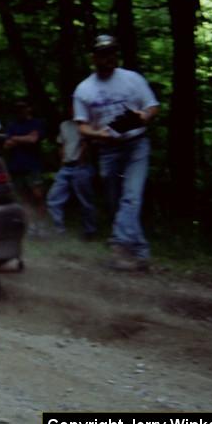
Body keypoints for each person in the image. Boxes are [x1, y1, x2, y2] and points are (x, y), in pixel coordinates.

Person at [73, 34, 159, 270]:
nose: (109, 57)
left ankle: (119, 246)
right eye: (103, 53)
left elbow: (152, 106)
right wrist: (97, 134)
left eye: (112, 52)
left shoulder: (133, 79)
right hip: (108, 149)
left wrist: (144, 116)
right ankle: (141, 252)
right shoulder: (84, 89)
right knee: (116, 202)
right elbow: (81, 125)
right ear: (94, 57)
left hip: (136, 145)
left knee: (131, 196)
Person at [46, 104, 97, 239]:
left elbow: (86, 145)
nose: (72, 110)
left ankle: (89, 231)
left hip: (81, 167)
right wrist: (62, 162)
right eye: (70, 107)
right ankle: (58, 230)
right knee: (53, 198)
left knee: (85, 201)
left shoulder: (86, 124)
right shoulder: (64, 125)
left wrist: (81, 160)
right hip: (66, 167)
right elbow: (62, 144)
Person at [4, 100, 47, 234]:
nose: (20, 111)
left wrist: (15, 139)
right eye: (18, 109)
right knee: (24, 198)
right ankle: (31, 225)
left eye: (23, 108)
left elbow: (33, 139)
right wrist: (25, 138)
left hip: (33, 165)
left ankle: (42, 224)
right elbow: (6, 144)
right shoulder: (12, 125)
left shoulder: (36, 123)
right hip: (16, 166)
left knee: (38, 195)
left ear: (28, 109)